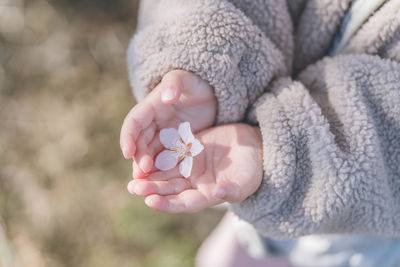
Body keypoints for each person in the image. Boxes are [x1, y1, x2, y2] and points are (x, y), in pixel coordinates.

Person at [120, 0, 400, 266]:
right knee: (217, 261)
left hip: (363, 235)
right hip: (265, 197)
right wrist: (204, 60)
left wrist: (281, 149)